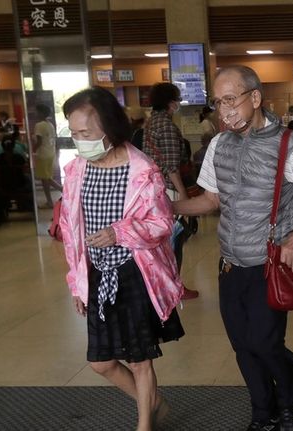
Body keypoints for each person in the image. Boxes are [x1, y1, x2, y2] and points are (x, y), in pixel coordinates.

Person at [174, 65, 293, 431]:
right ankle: (263, 411)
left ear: (255, 98)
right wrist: (167, 207)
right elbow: (211, 199)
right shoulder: (219, 144)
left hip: (269, 265)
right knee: (243, 346)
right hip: (231, 265)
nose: (224, 110)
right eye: (218, 102)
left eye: (230, 99)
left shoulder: (289, 146)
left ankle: (292, 398)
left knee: (265, 343)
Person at [59, 87, 185, 431]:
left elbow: (161, 224)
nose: (78, 140)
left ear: (109, 127)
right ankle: (155, 402)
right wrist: (77, 282)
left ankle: (144, 423)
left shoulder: (142, 170)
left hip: (135, 272)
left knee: (139, 358)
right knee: (100, 361)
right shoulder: (76, 171)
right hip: (97, 274)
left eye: (85, 132)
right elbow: (71, 232)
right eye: (73, 133)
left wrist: (119, 233)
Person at [142, 83, 199, 300]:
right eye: (176, 99)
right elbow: (171, 165)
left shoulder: (150, 124)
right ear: (170, 103)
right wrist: (184, 197)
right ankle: (174, 286)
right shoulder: (165, 125)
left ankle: (165, 284)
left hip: (154, 188)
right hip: (170, 189)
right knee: (175, 239)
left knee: (164, 241)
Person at [33, 104, 63, 208]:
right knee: (46, 178)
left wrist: (32, 151)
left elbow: (39, 141)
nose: (35, 113)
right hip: (50, 153)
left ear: (41, 112)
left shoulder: (39, 125)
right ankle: (62, 190)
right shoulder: (50, 124)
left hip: (43, 155)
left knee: (44, 178)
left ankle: (50, 201)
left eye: (37, 111)